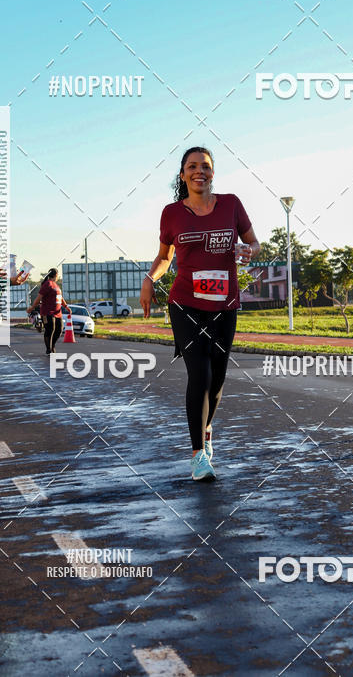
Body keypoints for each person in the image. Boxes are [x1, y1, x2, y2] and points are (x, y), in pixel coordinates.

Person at [140, 147, 259, 481]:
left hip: (224, 305)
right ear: (183, 175)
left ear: (213, 173)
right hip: (185, 303)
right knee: (201, 374)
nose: (199, 171)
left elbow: (255, 243)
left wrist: (248, 251)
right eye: (192, 166)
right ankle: (197, 456)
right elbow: (165, 256)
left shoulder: (232, 204)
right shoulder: (172, 213)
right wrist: (150, 279)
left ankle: (207, 431)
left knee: (218, 379)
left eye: (205, 166)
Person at [27, 268, 70, 354]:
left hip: (58, 313)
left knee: (59, 330)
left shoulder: (56, 285)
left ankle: (52, 345)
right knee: (50, 329)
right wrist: (31, 308)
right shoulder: (47, 284)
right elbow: (39, 298)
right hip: (47, 312)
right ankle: (49, 349)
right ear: (56, 275)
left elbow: (60, 297)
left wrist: (66, 306)